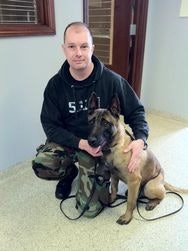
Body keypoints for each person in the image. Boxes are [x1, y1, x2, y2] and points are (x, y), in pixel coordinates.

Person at [32, 21, 149, 201]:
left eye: (84, 46)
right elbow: (50, 125)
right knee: (43, 163)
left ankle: (101, 174)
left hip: (102, 148)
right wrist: (81, 143)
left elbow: (136, 112)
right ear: (64, 49)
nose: (78, 53)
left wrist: (140, 140)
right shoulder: (55, 86)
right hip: (72, 142)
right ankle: (68, 173)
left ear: (92, 49)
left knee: (92, 208)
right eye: (72, 46)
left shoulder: (112, 81)